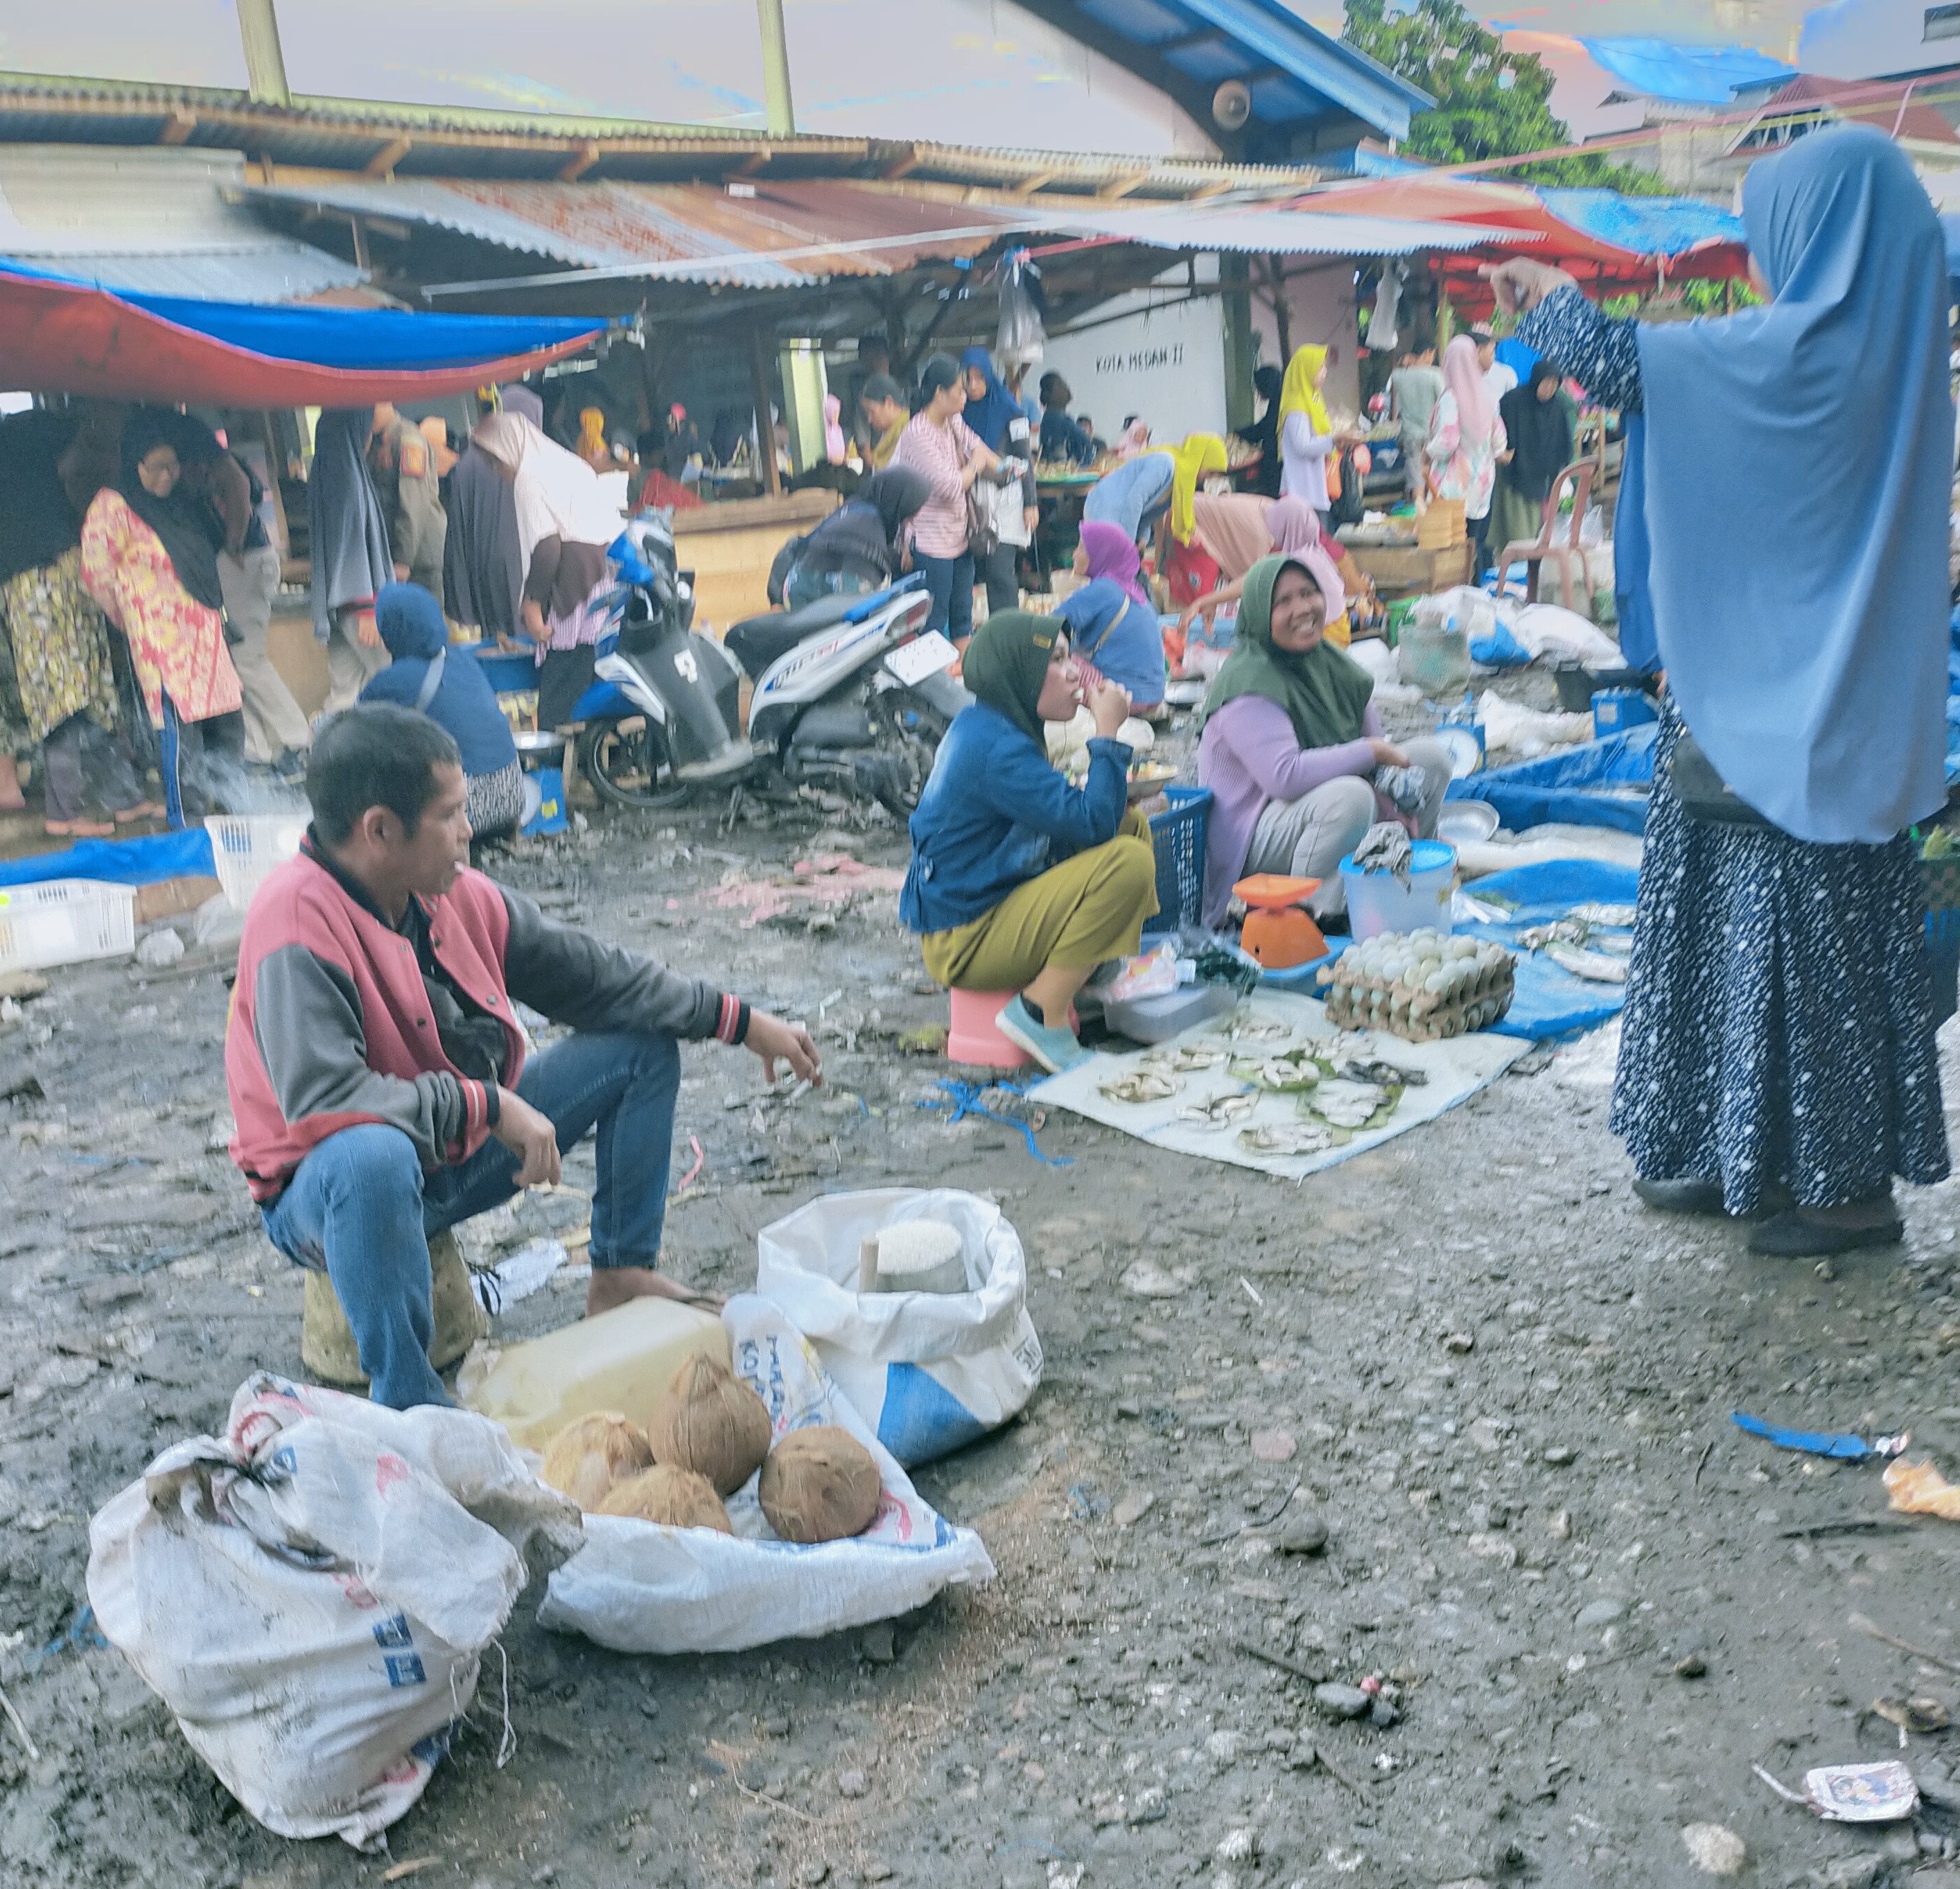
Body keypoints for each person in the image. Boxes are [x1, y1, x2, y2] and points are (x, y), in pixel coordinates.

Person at [1490, 124, 1951, 1257]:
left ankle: (1842, 1196)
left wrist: (1549, 296)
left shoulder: (1809, 353)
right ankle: (1732, 1153)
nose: (1760, 259)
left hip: (1788, 719)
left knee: (1798, 960)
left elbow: (1629, 368)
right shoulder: (1886, 350)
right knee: (1758, 947)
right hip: (1812, 715)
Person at [227, 702, 821, 1409]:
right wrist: (487, 1101)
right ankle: (411, 1403)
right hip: (325, 1198)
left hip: (444, 1158)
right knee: (370, 1157)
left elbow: (600, 979)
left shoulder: (451, 895)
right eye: (449, 814)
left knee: (637, 1048)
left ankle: (621, 1273)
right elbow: (326, 1100)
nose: (466, 830)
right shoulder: (294, 919)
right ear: (380, 830)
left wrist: (738, 1019)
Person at [900, 611, 1156, 1074]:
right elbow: (1092, 822)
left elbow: (1095, 821)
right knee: (1129, 863)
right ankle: (1041, 1011)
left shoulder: (995, 726)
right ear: (1018, 671)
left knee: (1131, 828)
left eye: (1069, 655)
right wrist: (1106, 735)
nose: (1075, 670)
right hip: (965, 938)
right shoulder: (996, 748)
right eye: (1056, 659)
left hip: (993, 902)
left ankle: (1084, 974)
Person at [1196, 554, 1450, 928]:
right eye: (1282, 602)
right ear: (1258, 613)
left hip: (1308, 808)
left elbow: (1380, 758)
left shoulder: (1330, 664)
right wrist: (1370, 754)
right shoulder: (1247, 682)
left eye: (1309, 593)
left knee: (1430, 760)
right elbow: (1285, 776)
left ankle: (1409, 881)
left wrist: (1396, 804)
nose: (1302, 609)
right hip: (1251, 832)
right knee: (1349, 798)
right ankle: (1315, 919)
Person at [79, 410, 246, 826]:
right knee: (180, 732)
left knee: (226, 724)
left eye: (173, 466)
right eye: (158, 467)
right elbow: (97, 573)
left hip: (205, 632)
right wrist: (128, 617)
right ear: (135, 465)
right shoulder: (112, 505)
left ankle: (234, 808)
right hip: (161, 640)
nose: (168, 476)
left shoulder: (179, 502)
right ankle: (187, 821)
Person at [0, 410, 154, 835]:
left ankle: (123, 799)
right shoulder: (34, 489)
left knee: (88, 699)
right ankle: (63, 814)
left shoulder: (20, 491)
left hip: (50, 591)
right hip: (48, 595)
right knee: (69, 704)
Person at [472, 408, 625, 728]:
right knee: (592, 673)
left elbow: (546, 548)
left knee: (562, 695)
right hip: (609, 575)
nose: (496, 471)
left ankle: (557, 764)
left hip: (578, 587)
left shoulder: (528, 477)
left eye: (495, 461)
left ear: (510, 448)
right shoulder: (567, 462)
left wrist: (532, 607)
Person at [360, 584, 525, 845]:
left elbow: (358, 733)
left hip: (466, 810)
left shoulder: (392, 682)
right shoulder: (463, 659)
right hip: (513, 794)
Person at [205, 446, 310, 783]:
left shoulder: (215, 460)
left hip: (243, 558)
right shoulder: (214, 459)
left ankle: (296, 739)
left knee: (246, 658)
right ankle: (260, 749)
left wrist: (234, 542)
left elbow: (237, 487)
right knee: (235, 663)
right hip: (241, 557)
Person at [893, 354, 999, 646]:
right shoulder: (918, 434)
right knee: (934, 622)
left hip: (959, 535)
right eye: (960, 390)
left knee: (963, 618)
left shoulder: (953, 421)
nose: (965, 396)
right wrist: (977, 465)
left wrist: (1006, 467)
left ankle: (966, 685)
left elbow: (977, 446)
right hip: (930, 542)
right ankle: (936, 688)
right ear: (940, 393)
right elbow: (950, 487)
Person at [1178, 494, 1363, 650]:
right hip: (1339, 629)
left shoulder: (1295, 562)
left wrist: (1204, 601)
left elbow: (1252, 581)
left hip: (1325, 637)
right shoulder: (1316, 552)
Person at [308, 408, 396, 712]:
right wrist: (368, 608)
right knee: (392, 682)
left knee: (345, 693)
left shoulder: (325, 471)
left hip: (338, 606)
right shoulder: (347, 479)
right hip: (360, 607)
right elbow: (354, 548)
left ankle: (326, 754)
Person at [444, 385, 532, 643]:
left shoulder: (468, 461)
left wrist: (460, 599)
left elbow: (457, 533)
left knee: (496, 644)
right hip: (523, 568)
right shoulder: (525, 458)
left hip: (482, 572)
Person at [782, 467, 930, 609]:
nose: (914, 517)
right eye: (912, 510)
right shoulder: (867, 532)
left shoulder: (859, 510)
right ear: (897, 501)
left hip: (802, 594)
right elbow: (856, 604)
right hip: (809, 609)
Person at [1056, 520, 1164, 711]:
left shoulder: (1104, 588)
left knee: (1050, 665)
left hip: (1123, 696)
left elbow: (1049, 625)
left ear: (1100, 553)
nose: (1075, 555)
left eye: (1081, 548)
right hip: (1153, 696)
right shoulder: (1133, 590)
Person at [960, 347, 1035, 612]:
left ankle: (1008, 628)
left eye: (979, 377)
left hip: (1006, 499)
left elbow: (1024, 458)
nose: (973, 385)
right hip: (972, 498)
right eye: (967, 379)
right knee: (976, 570)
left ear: (989, 376)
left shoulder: (1010, 409)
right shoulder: (960, 412)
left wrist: (1031, 502)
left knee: (1000, 572)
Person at [1427, 336, 1507, 575]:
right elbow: (1500, 442)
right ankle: (1479, 594)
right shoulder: (1489, 397)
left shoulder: (1451, 399)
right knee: (1476, 546)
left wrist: (1427, 451)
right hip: (1482, 487)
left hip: (1453, 490)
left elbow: (1448, 441)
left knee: (1453, 554)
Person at [1489, 358, 1576, 570]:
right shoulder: (1513, 401)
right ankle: (1515, 572)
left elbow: (1563, 445)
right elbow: (1501, 437)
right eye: (1546, 382)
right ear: (1536, 380)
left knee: (1540, 535)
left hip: (1542, 480)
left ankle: (1530, 575)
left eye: (1555, 383)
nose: (1550, 388)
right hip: (1514, 476)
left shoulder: (1558, 408)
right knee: (1517, 532)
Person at [366, 403, 448, 600]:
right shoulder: (376, 442)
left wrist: (403, 560)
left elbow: (413, 504)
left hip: (419, 561)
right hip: (399, 559)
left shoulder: (408, 440)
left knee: (424, 625)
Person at [1277, 343, 1343, 528]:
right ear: (1306, 370)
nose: (1325, 372)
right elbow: (1303, 446)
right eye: (1320, 367)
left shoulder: (1313, 399)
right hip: (1301, 490)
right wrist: (1335, 441)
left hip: (1312, 486)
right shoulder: (1297, 406)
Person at [1387, 341, 1444, 499]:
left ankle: (1418, 510)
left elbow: (1397, 371)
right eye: (1433, 354)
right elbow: (1443, 401)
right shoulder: (1436, 375)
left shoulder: (1398, 376)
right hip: (1433, 435)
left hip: (1410, 435)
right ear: (1427, 353)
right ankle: (1435, 514)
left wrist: (1405, 361)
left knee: (1416, 478)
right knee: (1433, 477)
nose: (1433, 359)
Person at [1235, 364, 1284, 498]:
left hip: (1276, 462)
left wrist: (1239, 434)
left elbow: (1265, 429)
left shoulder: (1279, 402)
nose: (1257, 391)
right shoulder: (1279, 398)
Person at [1038, 372, 1096, 466]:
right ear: (1052, 394)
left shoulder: (1050, 418)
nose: (1067, 387)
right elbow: (1085, 442)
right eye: (1061, 384)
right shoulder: (1059, 420)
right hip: (1064, 474)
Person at [859, 374, 911, 471]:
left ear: (889, 403)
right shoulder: (888, 435)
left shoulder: (910, 431)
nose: (869, 420)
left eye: (872, 412)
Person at [1471, 324, 1519, 406]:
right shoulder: (1460, 374)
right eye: (1492, 352)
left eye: (1493, 351)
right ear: (1479, 350)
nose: (1494, 356)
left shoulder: (1507, 374)